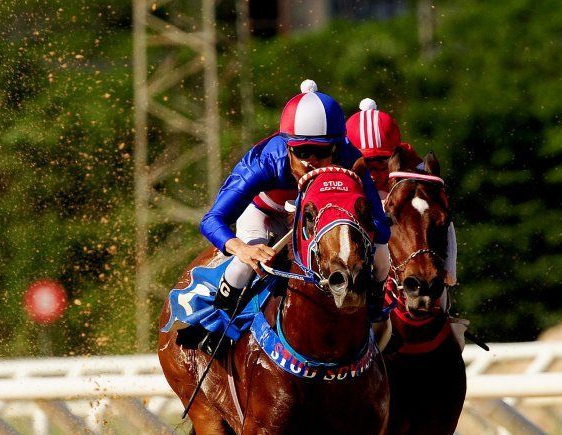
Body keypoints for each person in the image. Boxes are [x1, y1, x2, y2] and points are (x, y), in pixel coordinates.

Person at [194, 80, 392, 352]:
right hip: (265, 215)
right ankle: (217, 327)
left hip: (317, 221)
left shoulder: (349, 157)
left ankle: (375, 314)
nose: (312, 160)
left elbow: (379, 222)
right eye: (301, 152)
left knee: (382, 255)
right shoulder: (264, 162)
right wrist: (241, 249)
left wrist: (371, 242)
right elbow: (212, 219)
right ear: (287, 146)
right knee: (242, 268)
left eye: (322, 152)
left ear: (336, 146)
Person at [346, 98, 458, 288]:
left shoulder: (413, 167)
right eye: (367, 167)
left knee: (442, 219)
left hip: (406, 252)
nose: (373, 176)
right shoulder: (339, 168)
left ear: (394, 157)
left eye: (381, 166)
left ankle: (448, 283)